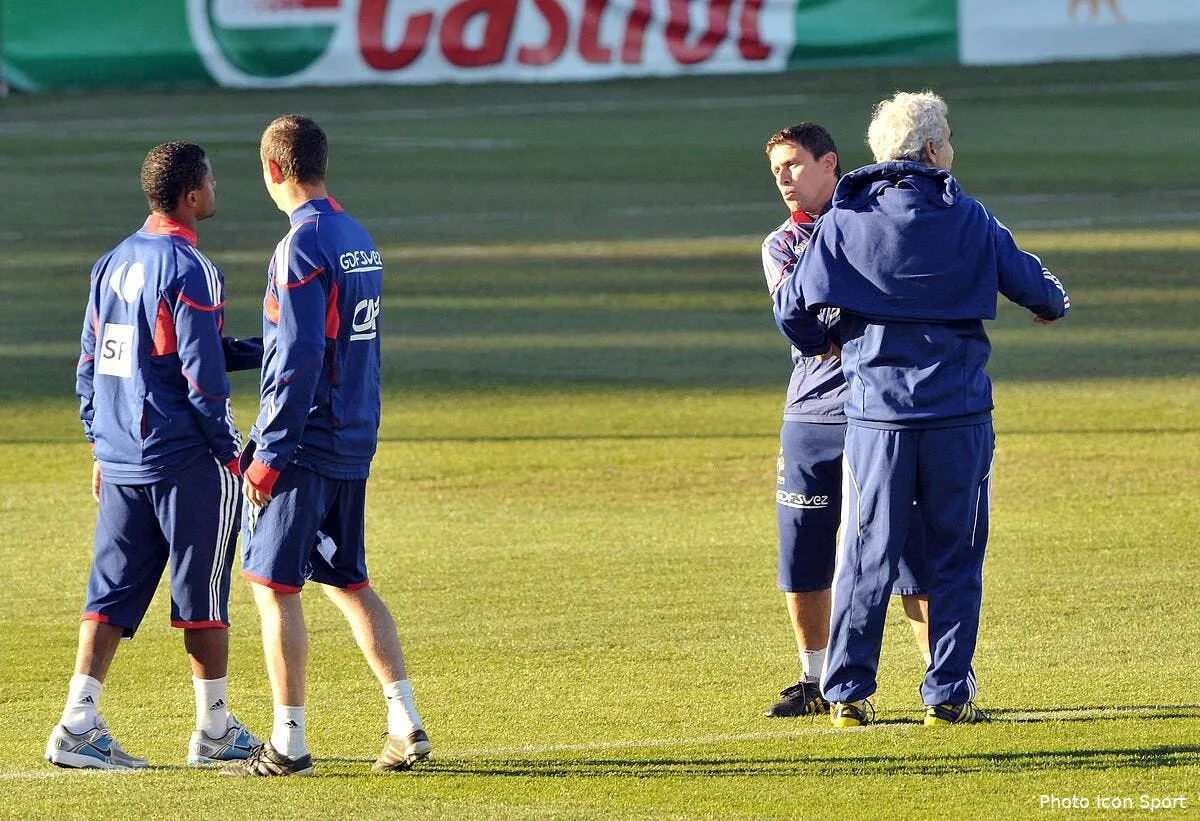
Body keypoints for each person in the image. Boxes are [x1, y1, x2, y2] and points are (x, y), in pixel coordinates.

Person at [774, 92, 1070, 727]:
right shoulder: (969, 215)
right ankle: (949, 695)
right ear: (933, 149)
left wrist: (822, 343)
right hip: (957, 412)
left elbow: (792, 307)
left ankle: (848, 694)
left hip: (876, 414)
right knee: (955, 554)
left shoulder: (845, 217)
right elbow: (1038, 289)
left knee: (863, 552)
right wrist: (1051, 307)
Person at [221, 115, 430, 777]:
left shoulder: (301, 245)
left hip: (305, 442)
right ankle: (406, 721)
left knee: (272, 585)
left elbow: (303, 354)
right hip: (352, 433)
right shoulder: (355, 236)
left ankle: (288, 742)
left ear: (272, 170)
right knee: (348, 579)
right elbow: (324, 342)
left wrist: (269, 454)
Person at [47, 141, 262, 770]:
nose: (217, 189)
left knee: (109, 593)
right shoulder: (191, 267)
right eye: (212, 181)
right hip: (184, 459)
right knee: (204, 595)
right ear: (192, 196)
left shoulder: (111, 261)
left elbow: (93, 361)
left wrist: (98, 440)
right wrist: (229, 453)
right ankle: (215, 731)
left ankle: (77, 724)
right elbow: (200, 374)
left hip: (122, 457)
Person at [761, 123, 931, 720]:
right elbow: (818, 333)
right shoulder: (781, 244)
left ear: (830, 162)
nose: (784, 178)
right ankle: (814, 678)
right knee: (803, 549)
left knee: (911, 554)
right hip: (810, 415)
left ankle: (941, 687)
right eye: (777, 168)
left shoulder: (873, 225)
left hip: (880, 412)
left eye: (794, 165)